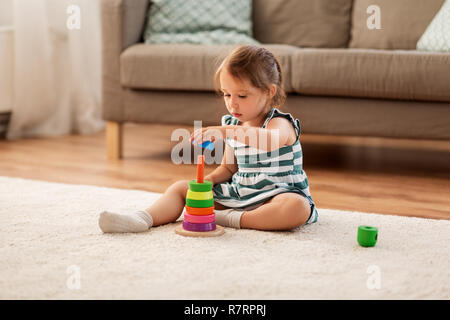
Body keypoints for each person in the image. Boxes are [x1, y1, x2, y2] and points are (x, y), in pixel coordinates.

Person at [98, 45, 318, 233]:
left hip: (277, 195)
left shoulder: (279, 123)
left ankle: (226, 219)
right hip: (241, 195)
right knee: (181, 188)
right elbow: (229, 169)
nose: (232, 104)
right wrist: (210, 180)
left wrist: (225, 132)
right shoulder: (233, 124)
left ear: (269, 91)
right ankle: (142, 219)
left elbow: (269, 141)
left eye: (242, 96)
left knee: (297, 208)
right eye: (226, 94)